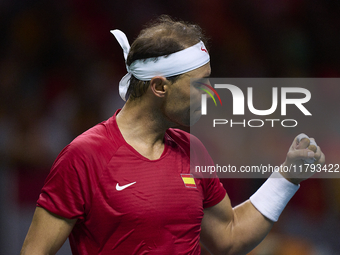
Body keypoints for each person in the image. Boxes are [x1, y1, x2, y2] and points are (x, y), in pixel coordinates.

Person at [20, 16, 325, 255]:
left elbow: (228, 238)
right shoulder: (83, 156)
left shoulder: (192, 148)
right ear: (160, 87)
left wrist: (287, 178)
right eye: (200, 83)